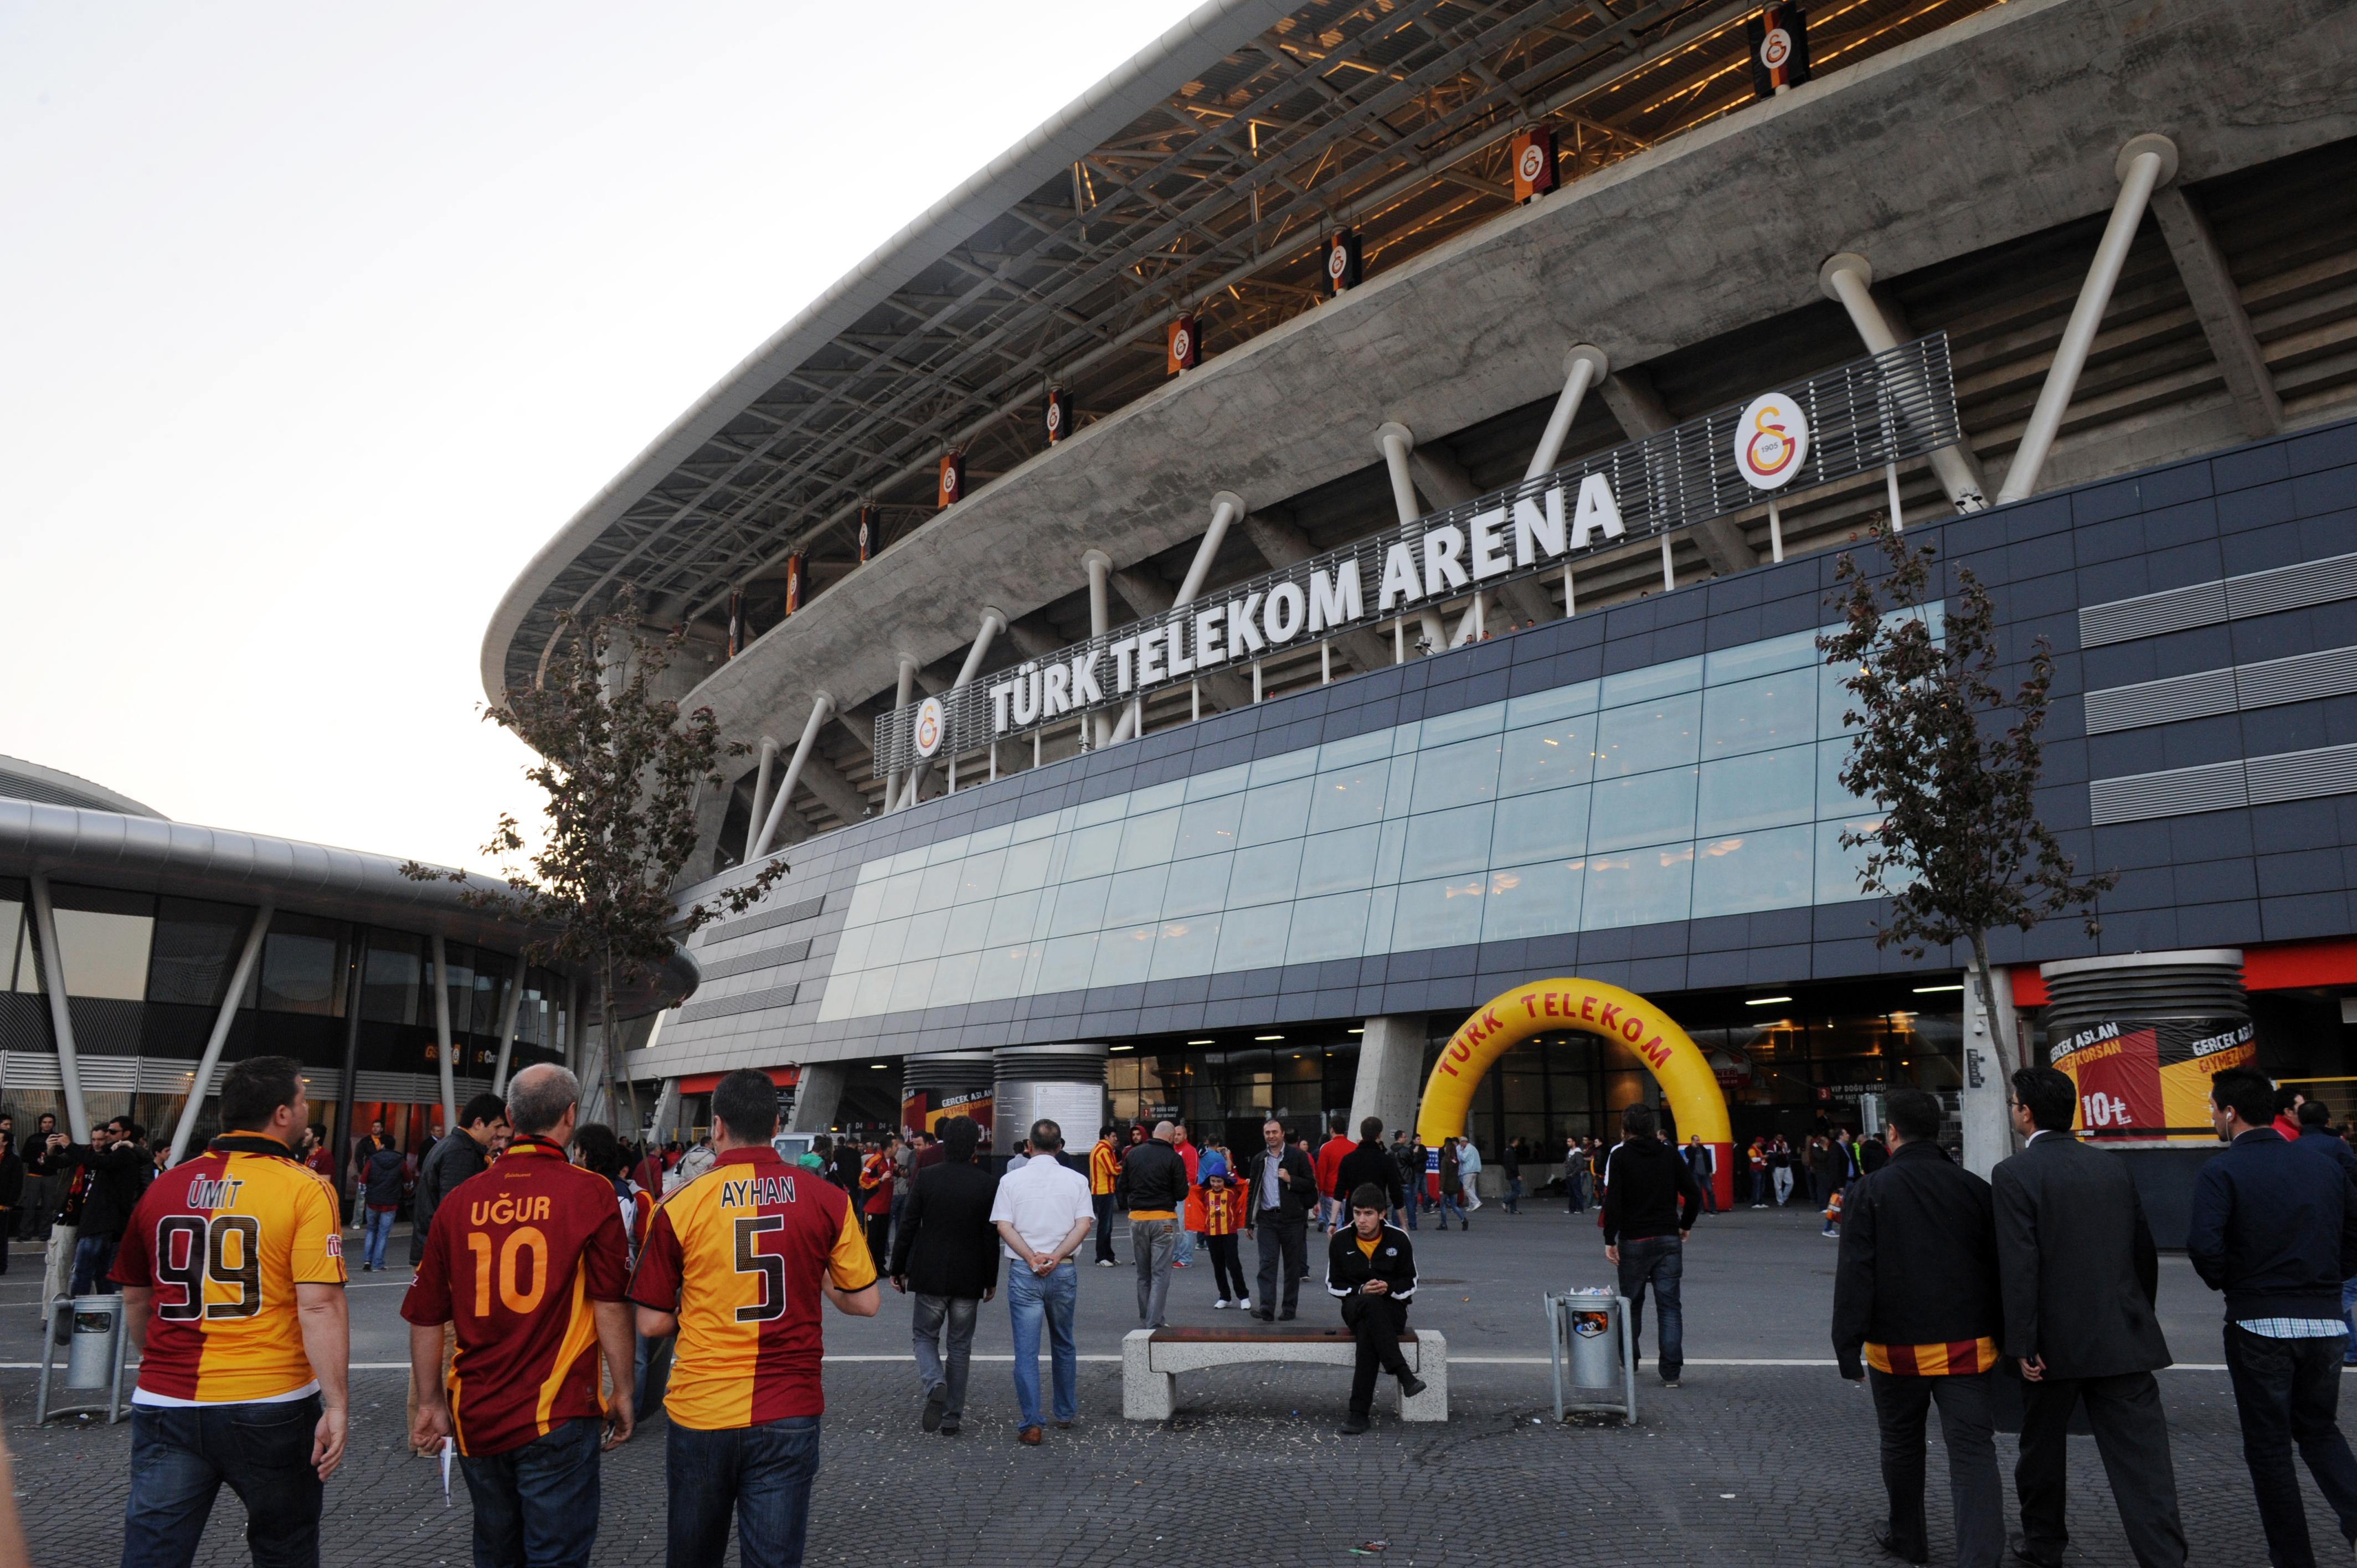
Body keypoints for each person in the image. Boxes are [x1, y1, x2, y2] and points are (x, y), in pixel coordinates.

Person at [630, 1067, 881, 1568]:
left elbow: (651, 1324)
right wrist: (816, 1276)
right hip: (789, 1406)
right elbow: (865, 1301)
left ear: (716, 1126)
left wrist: (701, 1303)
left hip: (702, 1407)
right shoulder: (828, 1199)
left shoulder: (678, 1206)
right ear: (775, 1125)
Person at [111, 1055, 349, 1566]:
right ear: (283, 1114)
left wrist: (161, 1362)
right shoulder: (305, 1187)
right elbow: (320, 1305)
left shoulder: (165, 1184)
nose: (306, 1111)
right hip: (270, 1399)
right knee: (284, 1547)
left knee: (154, 1551)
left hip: (166, 1399)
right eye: (303, 1101)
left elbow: (135, 1297)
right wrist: (337, 1404)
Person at [404, 1066, 633, 1568]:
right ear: (570, 1117)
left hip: (477, 1408)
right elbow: (611, 1301)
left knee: (495, 1547)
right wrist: (624, 1389)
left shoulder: (460, 1202)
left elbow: (424, 1316)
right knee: (556, 1554)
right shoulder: (591, 1192)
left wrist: (429, 1403)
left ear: (509, 1117)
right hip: (558, 1407)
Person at [1993, 1066, 2185, 1568]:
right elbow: (2141, 1250)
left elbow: (2020, 1263)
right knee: (2144, 1462)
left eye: (2014, 1103)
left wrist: (2021, 1342)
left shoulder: (2014, 1173)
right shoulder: (2111, 1168)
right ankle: (2164, 1556)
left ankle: (2044, 1543)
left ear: (2027, 1112)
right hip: (2123, 1336)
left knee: (2042, 1452)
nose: (2013, 1109)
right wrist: (2138, 1314)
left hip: (2052, 1346)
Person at [2187, 1065, 2357, 1568]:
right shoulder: (2324, 1167)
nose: (2213, 1116)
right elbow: (2353, 1233)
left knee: (2269, 1450)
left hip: (2259, 1322)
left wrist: (2234, 1285)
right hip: (2325, 1322)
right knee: (2321, 1431)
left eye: (2214, 1108)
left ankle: (2294, 1558)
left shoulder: (2221, 1171)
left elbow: (2204, 1246)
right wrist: (2330, 1280)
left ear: (2230, 1111)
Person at [1831, 1088, 2003, 1568]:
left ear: (1891, 1133)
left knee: (1902, 1443)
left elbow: (1856, 1274)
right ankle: (1981, 1555)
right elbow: (1998, 1269)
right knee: (1973, 1452)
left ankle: (1909, 1538)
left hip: (1896, 1347)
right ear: (1940, 1130)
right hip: (1968, 1344)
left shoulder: (1868, 1191)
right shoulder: (1976, 1189)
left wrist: (1847, 1346)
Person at [888, 1113, 997, 1437]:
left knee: (924, 1336)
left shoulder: (927, 1178)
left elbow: (908, 1225)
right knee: (960, 1346)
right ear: (975, 1146)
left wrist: (898, 1267)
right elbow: (991, 1236)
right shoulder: (987, 1183)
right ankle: (951, 1418)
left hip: (931, 1269)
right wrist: (991, 1279)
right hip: (970, 1274)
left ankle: (935, 1382)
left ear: (946, 1143)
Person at [989, 1118, 1093, 1445]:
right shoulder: (1077, 1180)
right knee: (1064, 1342)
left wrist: (1032, 1256)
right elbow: (1083, 1225)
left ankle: (1032, 1423)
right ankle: (1064, 1412)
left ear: (1028, 1146)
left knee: (1026, 1351)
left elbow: (1004, 1227)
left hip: (1024, 1270)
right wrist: (1057, 1256)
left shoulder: (1010, 1180)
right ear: (1060, 1147)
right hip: (1062, 1270)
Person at [1601, 1105, 1702, 1388]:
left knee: (1631, 1303)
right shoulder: (1669, 1153)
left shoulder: (1620, 1156)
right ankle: (1671, 1373)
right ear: (1651, 1126)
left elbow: (1614, 1202)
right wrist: (1685, 1225)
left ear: (1626, 1127)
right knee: (1669, 1306)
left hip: (1634, 1238)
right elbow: (1693, 1194)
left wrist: (1610, 1239)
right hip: (1668, 1237)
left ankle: (1630, 1361)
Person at [1325, 1183, 1428, 1435]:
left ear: (1382, 1214)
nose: (1361, 1220)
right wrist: (1360, 1290)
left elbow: (1411, 1282)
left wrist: (1388, 1288)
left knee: (1368, 1333)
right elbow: (1333, 1284)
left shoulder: (1398, 1238)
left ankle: (1358, 1415)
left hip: (1392, 1308)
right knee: (1369, 1305)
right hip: (1355, 1306)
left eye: (1368, 1213)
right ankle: (1404, 1375)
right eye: (1357, 1213)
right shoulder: (1340, 1239)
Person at [55, 1115, 148, 1295]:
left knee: (84, 1269)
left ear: (126, 1134)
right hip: (103, 1220)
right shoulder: (115, 1153)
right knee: (101, 1271)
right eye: (107, 1132)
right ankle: (104, 1314)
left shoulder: (123, 1154)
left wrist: (70, 1145)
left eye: (113, 1132)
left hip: (101, 1220)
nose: (108, 1136)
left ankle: (79, 1313)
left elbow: (98, 1161)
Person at [1245, 1118, 1318, 1321]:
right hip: (1267, 1219)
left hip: (1292, 1220)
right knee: (1267, 1264)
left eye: (1275, 1132)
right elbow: (1253, 1191)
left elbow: (1311, 1185)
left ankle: (1289, 1309)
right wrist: (1249, 1222)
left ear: (1283, 1134)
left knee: (1292, 1267)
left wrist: (1290, 1179)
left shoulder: (1298, 1157)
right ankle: (1267, 1308)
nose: (1271, 1136)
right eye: (1268, 1133)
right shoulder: (1260, 1159)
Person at [1115, 1121, 1187, 1329]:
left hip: (1137, 1218)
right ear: (1173, 1137)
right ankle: (1154, 1321)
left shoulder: (1134, 1154)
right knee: (1160, 1272)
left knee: (1143, 1273)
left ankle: (1146, 1316)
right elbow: (1182, 1192)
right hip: (1163, 1218)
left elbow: (1122, 1186)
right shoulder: (1174, 1158)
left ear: (1154, 1133)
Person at [1336, 1118, 1406, 1227]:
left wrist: (1332, 1222)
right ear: (1379, 1135)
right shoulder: (1386, 1161)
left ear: (1362, 1133)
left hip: (1353, 1216)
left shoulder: (1348, 1160)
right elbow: (1396, 1193)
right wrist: (1403, 1225)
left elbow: (1339, 1192)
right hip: (1378, 1215)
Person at [359, 1133, 406, 1272]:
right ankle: (378, 1263)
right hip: (390, 1202)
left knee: (371, 1230)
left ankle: (367, 1261)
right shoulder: (400, 1161)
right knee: (383, 1233)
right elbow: (408, 1180)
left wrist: (365, 1195)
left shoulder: (372, 1160)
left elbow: (363, 1181)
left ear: (383, 1145)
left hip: (373, 1201)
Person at [1201, 1169, 1248, 1308]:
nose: (1216, 1184)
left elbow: (1244, 1188)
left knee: (1233, 1265)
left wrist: (1247, 1183)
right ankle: (1225, 1296)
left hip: (1229, 1233)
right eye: (1213, 1181)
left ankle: (1244, 1296)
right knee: (1218, 1266)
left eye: (1219, 1181)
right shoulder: (1205, 1193)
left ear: (1225, 1181)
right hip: (1211, 1233)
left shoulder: (1232, 1192)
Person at [859, 1136, 897, 1274]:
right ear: (889, 1148)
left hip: (886, 1206)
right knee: (871, 1239)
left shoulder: (892, 1161)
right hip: (873, 1207)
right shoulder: (873, 1160)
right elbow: (863, 1180)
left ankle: (880, 1266)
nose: (898, 1148)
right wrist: (880, 1180)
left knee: (882, 1239)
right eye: (896, 1146)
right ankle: (868, 1269)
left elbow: (893, 1174)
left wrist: (900, 1173)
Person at [18, 1112, 57, 1244]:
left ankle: (45, 1233)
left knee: (48, 1206)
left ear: (54, 1124)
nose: (47, 1125)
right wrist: (37, 1160)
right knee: (30, 1205)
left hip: (50, 1176)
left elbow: (63, 1157)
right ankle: (25, 1233)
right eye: (45, 1122)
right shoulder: (33, 1139)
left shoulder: (56, 1139)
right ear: (40, 1124)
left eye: (50, 1122)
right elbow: (24, 1157)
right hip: (34, 1175)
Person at [1313, 1115, 1355, 1235]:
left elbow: (1321, 1174)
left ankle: (1337, 1252)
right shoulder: (1354, 1147)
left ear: (1332, 1129)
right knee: (1350, 1229)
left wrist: (1318, 1198)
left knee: (1334, 1229)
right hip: (1350, 1194)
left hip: (1331, 1194)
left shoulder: (1326, 1148)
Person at [1087, 1125, 1120, 1267]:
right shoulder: (1103, 1151)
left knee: (1107, 1226)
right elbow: (1111, 1169)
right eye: (1113, 1136)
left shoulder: (1103, 1150)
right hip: (1103, 1191)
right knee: (1105, 1226)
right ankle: (1101, 1257)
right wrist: (1123, 1168)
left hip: (1104, 1191)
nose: (1116, 1139)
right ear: (1106, 1137)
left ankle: (1108, 1256)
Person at [1170, 1122, 1201, 1268]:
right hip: (1173, 1194)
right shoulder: (1174, 1150)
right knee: (1173, 1228)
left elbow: (1192, 1174)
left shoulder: (1189, 1150)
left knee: (1184, 1227)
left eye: (1179, 1134)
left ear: (1186, 1136)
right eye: (1175, 1134)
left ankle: (1185, 1258)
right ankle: (1177, 1256)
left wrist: (1185, 1188)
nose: (1176, 1137)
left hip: (1183, 1195)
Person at [1393, 1133, 1422, 1230]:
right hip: (1407, 1179)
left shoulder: (1390, 1151)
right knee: (1410, 1203)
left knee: (1396, 1203)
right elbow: (1413, 1162)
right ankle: (1412, 1224)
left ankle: (1395, 1224)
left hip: (1396, 1180)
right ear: (1400, 1138)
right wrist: (1415, 1154)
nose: (1406, 1139)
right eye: (1405, 1137)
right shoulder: (1405, 1151)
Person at [1436, 1137, 1464, 1230]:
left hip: (1446, 1187)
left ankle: (1444, 1224)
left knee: (1443, 1206)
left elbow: (1443, 1176)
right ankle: (1463, 1219)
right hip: (1454, 1186)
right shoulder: (1455, 1160)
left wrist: (1441, 1188)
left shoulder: (1445, 1160)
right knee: (1454, 1206)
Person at [1684, 1134, 1717, 1215]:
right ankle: (1701, 1209)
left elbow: (1708, 1159)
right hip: (1695, 1174)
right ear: (1693, 1141)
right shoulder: (1688, 1149)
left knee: (1710, 1191)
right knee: (1698, 1192)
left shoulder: (1703, 1148)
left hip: (1705, 1173)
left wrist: (1710, 1171)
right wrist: (1694, 1149)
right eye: (1697, 1140)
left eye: (1699, 1140)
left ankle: (1713, 1209)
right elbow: (1690, 1157)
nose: (1699, 1142)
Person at [1501, 1139, 1522, 1215]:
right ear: (1515, 1142)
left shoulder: (1507, 1150)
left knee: (1514, 1191)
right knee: (1518, 1190)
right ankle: (1505, 1202)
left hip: (1509, 1173)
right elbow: (1513, 1164)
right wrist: (1518, 1175)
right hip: (1513, 1174)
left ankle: (1513, 1209)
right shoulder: (1511, 1151)